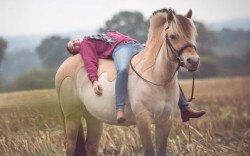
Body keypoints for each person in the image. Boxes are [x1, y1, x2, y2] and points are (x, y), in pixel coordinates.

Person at [66, 31, 206, 123]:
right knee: (122, 69)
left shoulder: (100, 34)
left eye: (74, 41)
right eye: (74, 47)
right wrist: (94, 80)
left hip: (137, 44)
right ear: (77, 51)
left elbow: (122, 37)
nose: (77, 43)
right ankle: (119, 109)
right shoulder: (86, 44)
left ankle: (185, 108)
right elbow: (90, 61)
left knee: (166, 70)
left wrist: (145, 46)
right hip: (122, 49)